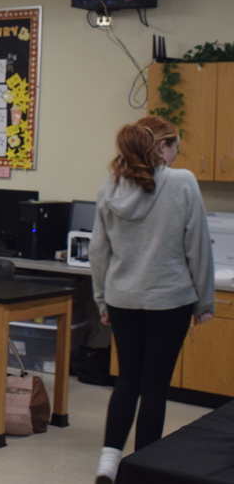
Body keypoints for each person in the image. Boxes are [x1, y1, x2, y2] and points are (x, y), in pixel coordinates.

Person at [90, 115, 215, 484]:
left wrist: (101, 300)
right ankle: (142, 467)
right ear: (161, 147)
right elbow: (198, 249)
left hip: (121, 298)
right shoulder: (183, 182)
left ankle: (108, 463)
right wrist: (203, 303)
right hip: (169, 300)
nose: (178, 154)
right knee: (155, 385)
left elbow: (98, 251)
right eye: (175, 145)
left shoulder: (110, 187)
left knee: (127, 379)